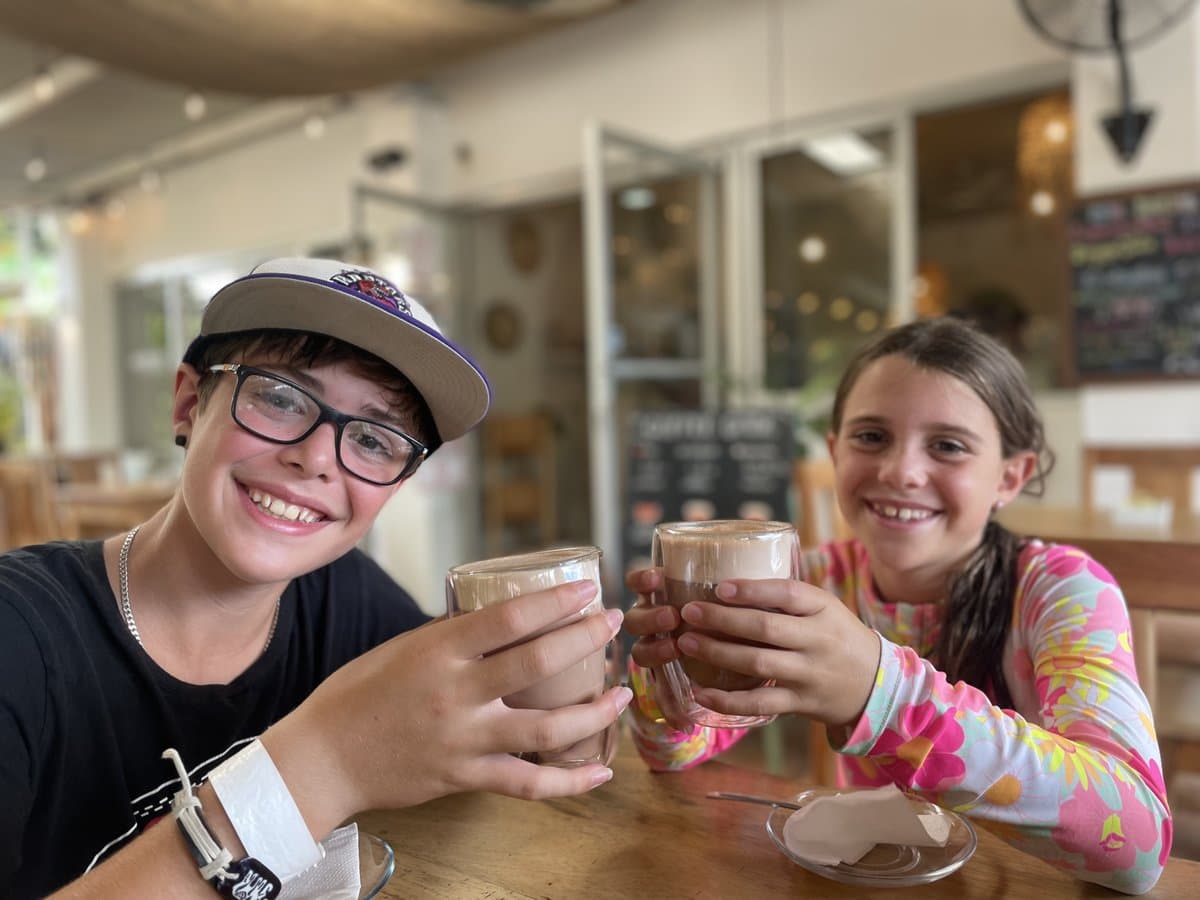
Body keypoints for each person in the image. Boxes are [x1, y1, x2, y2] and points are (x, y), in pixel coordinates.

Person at [0, 257, 630, 898]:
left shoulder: (345, 600)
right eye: (279, 397)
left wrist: (685, 697)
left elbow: (513, 739)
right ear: (190, 403)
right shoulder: (20, 635)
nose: (318, 458)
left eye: (376, 440)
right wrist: (324, 764)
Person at [623, 318, 1171, 894]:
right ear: (835, 452)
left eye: (948, 446)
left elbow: (1138, 842)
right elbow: (673, 754)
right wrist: (667, 680)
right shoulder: (814, 583)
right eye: (871, 437)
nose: (900, 471)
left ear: (1011, 476)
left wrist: (879, 694)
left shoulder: (1060, 590)